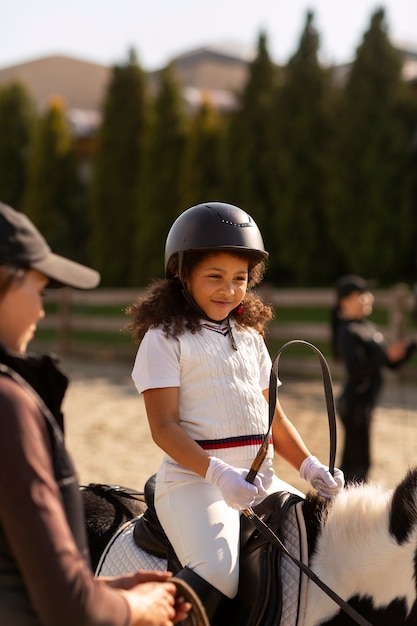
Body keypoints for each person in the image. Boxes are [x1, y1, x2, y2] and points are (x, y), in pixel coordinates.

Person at [128, 202, 345, 622]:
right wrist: (217, 475)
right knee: (220, 572)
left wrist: (309, 466)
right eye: (215, 277)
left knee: (327, 544)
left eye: (240, 279)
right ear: (182, 273)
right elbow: (163, 427)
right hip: (195, 484)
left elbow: (275, 420)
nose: (229, 290)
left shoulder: (249, 337)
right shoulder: (163, 338)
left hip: (260, 481)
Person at [0, 201, 194, 626]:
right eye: (37, 289)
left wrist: (100, 588)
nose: (40, 309)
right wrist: (139, 607)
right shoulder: (8, 405)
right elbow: (67, 607)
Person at [330, 274, 417, 484]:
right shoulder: (347, 331)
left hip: (364, 404)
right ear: (345, 301)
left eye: (367, 293)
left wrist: (410, 346)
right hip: (354, 405)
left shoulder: (368, 327)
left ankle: (341, 504)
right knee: (358, 464)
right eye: (361, 295)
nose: (368, 298)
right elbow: (355, 370)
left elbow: (389, 364)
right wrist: (385, 356)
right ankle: (346, 508)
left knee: (354, 461)